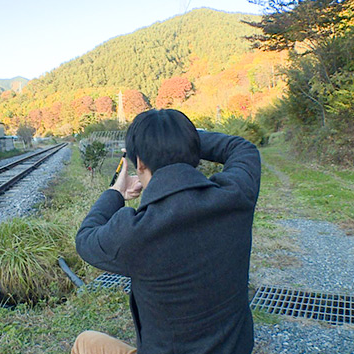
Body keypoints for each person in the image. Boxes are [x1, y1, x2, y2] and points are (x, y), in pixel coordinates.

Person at [72, 109, 261, 354]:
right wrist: (181, 142)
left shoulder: (134, 234)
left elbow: (85, 238)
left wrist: (116, 193)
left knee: (85, 342)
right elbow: (241, 148)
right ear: (193, 152)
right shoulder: (236, 195)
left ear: (139, 163)